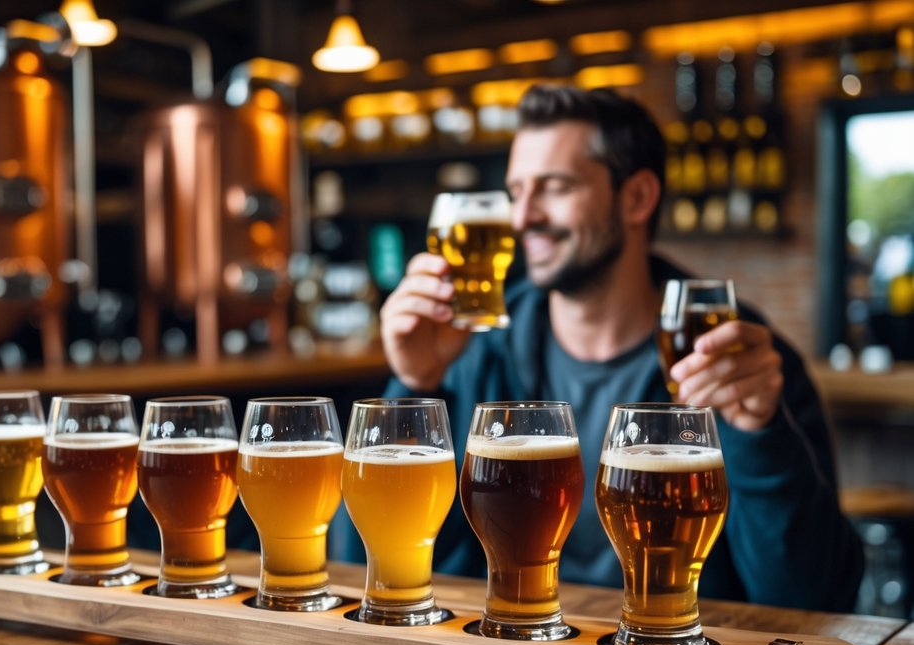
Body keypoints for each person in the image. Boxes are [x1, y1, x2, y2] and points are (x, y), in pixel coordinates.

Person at [336, 83, 863, 612]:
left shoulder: (737, 360)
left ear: (637, 197)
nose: (522, 219)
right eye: (517, 192)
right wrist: (414, 384)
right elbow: (362, 567)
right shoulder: (477, 350)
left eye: (555, 187)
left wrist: (761, 435)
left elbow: (812, 597)